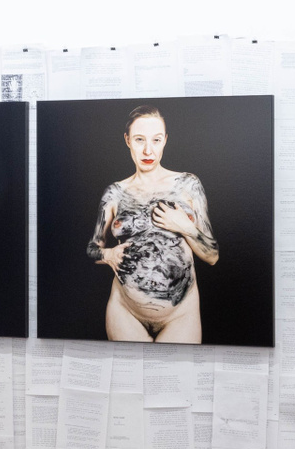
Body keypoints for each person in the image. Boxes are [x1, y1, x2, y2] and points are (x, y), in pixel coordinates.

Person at [87, 106, 219, 342]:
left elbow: (212, 256)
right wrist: (108, 255)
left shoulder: (188, 185)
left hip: (181, 314)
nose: (148, 150)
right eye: (140, 140)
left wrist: (184, 226)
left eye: (156, 140)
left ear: (165, 140)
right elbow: (92, 249)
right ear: (128, 140)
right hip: (124, 311)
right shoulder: (115, 193)